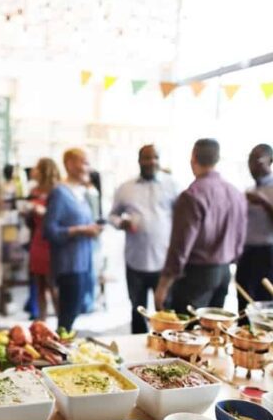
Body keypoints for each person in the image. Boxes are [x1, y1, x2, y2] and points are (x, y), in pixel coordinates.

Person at [155, 139, 247, 312]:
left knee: (187, 332)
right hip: (223, 272)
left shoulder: (192, 195)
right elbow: (240, 238)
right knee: (211, 332)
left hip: (196, 274)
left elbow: (180, 246)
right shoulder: (235, 193)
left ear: (193, 158)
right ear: (217, 159)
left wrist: (163, 284)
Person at [110, 145, 179, 333]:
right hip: (136, 262)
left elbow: (182, 219)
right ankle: (138, 355)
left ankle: (164, 354)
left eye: (155, 157)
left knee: (165, 312)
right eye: (147, 158)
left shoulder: (173, 185)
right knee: (137, 310)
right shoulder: (125, 188)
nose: (151, 162)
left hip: (163, 263)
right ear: (139, 160)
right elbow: (112, 216)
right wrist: (120, 222)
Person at [44, 148, 102, 331]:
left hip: (83, 262)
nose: (88, 167)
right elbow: (49, 231)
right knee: (67, 315)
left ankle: (63, 350)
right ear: (69, 164)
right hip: (68, 265)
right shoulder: (60, 193)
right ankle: (59, 354)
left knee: (75, 311)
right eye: (83, 162)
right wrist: (80, 230)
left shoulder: (81, 192)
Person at [236, 144, 273, 311]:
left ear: (270, 160)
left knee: (263, 301)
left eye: (257, 159)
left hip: (266, 252)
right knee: (244, 299)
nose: (252, 164)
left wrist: (263, 202)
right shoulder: (249, 189)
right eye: (250, 159)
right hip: (246, 252)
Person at [28, 158, 61, 320]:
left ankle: (63, 321)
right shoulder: (34, 190)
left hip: (51, 243)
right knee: (39, 284)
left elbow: (60, 216)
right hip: (37, 240)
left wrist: (44, 212)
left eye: (36, 168)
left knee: (53, 284)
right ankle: (41, 320)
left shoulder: (57, 190)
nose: (33, 171)